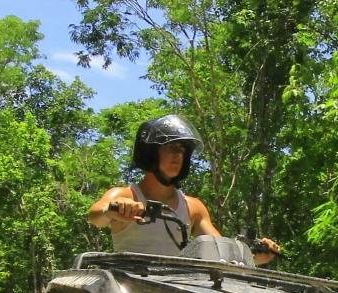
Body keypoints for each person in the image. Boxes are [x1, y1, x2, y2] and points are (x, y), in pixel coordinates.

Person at [87, 114, 282, 266]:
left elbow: (220, 251)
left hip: (176, 291)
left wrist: (254, 256)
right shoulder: (125, 195)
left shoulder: (193, 207)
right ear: (151, 152)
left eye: (182, 150)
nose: (178, 155)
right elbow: (94, 216)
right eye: (171, 147)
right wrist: (113, 209)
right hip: (127, 290)